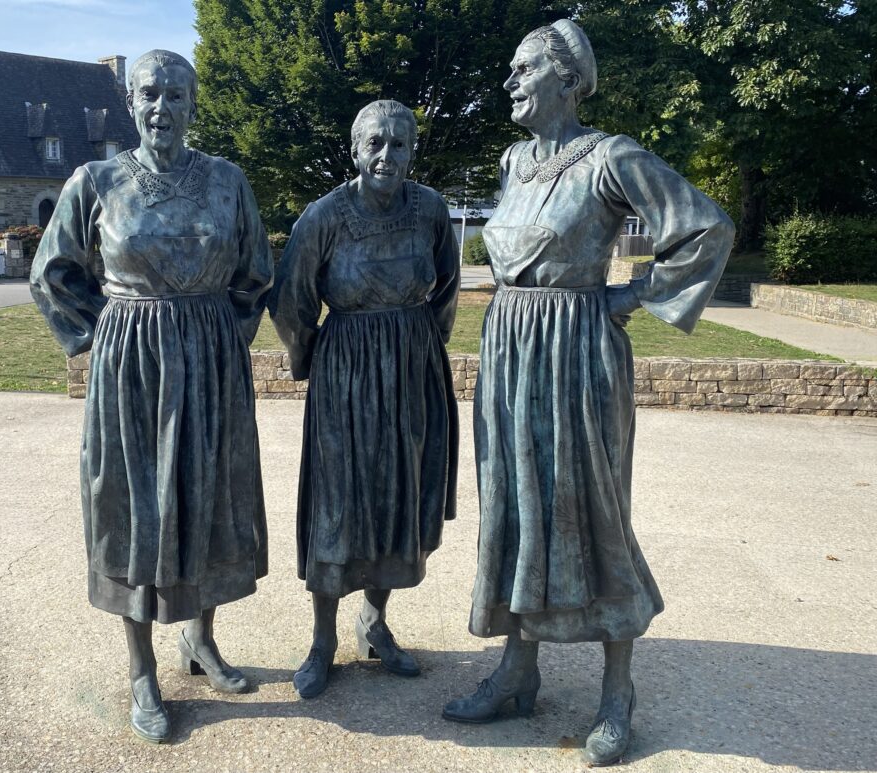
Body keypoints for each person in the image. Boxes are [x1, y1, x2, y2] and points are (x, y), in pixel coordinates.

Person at [440, 21, 734, 766]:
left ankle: (617, 690)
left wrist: (632, 294)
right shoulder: (512, 160)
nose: (509, 81)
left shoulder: (610, 157)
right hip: (509, 348)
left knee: (590, 511)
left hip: (576, 353)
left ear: (566, 78)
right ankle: (517, 669)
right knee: (514, 506)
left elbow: (703, 227)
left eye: (522, 68)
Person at [30, 49, 272, 744]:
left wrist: (225, 337)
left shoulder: (227, 181)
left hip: (209, 362)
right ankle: (141, 670)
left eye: (174, 95)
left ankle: (200, 639)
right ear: (132, 105)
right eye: (149, 95)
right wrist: (98, 338)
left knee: (205, 499)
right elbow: (53, 272)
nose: (161, 107)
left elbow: (255, 271)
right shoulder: (96, 180)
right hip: (131, 366)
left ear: (193, 105)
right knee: (133, 508)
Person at [269, 99, 460, 700]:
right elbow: (291, 301)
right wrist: (312, 363)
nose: (387, 155)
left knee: (399, 496)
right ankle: (322, 639)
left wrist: (424, 351)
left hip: (412, 367)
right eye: (374, 143)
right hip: (345, 372)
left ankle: (375, 621)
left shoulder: (430, 209)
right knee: (339, 504)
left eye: (399, 144)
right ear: (355, 150)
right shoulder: (323, 217)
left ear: (412, 151)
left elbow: (447, 288)